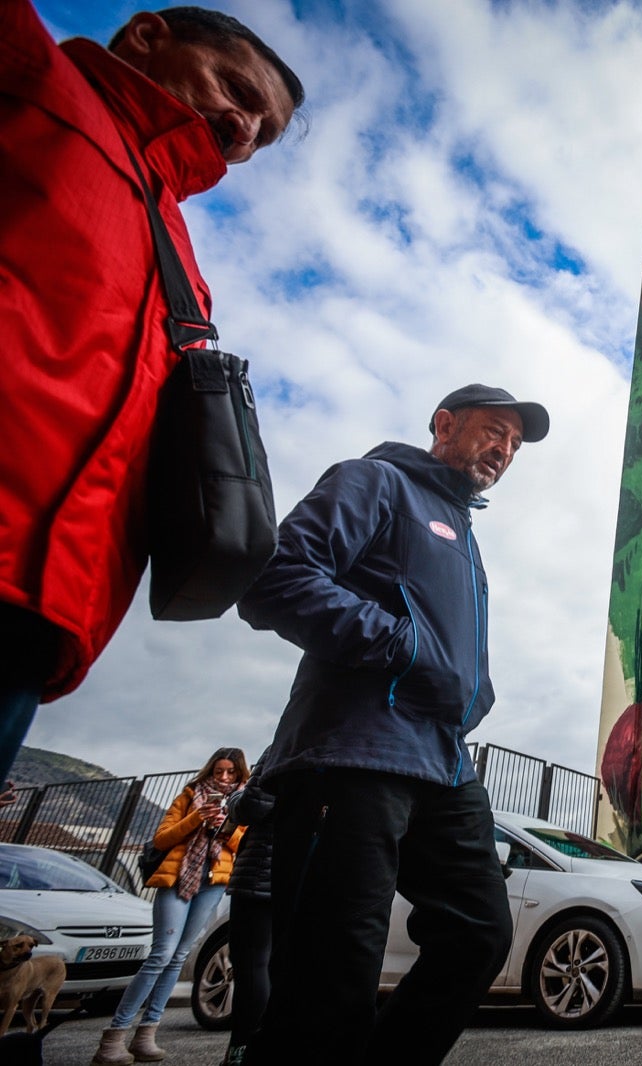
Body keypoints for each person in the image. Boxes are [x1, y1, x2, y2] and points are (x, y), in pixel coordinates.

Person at [0, 4, 305, 783]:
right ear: (146, 35)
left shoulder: (183, 260)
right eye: (235, 89)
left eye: (262, 136)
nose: (241, 129)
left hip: (42, 615)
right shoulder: (35, 77)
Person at [237, 385, 548, 1065]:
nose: (504, 451)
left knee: (478, 933)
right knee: (329, 976)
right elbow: (276, 576)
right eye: (495, 432)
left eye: (515, 446)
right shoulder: (375, 481)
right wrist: (401, 645)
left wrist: (475, 691)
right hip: (355, 752)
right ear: (444, 424)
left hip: (442, 760)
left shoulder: (461, 528)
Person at [92, 748, 249, 1066]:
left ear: (240, 774)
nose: (224, 778)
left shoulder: (241, 804)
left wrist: (224, 827)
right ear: (209, 771)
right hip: (177, 879)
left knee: (178, 956)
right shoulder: (190, 794)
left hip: (213, 883)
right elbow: (162, 840)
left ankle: (146, 1034)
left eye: (231, 772)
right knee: (161, 954)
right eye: (219, 771)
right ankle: (114, 1035)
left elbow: (239, 846)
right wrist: (197, 817)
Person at [216, 752, 275, 1066]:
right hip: (309, 872)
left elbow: (254, 804)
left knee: (252, 965)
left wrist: (234, 799)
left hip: (262, 872)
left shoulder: (291, 738)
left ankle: (241, 1052)